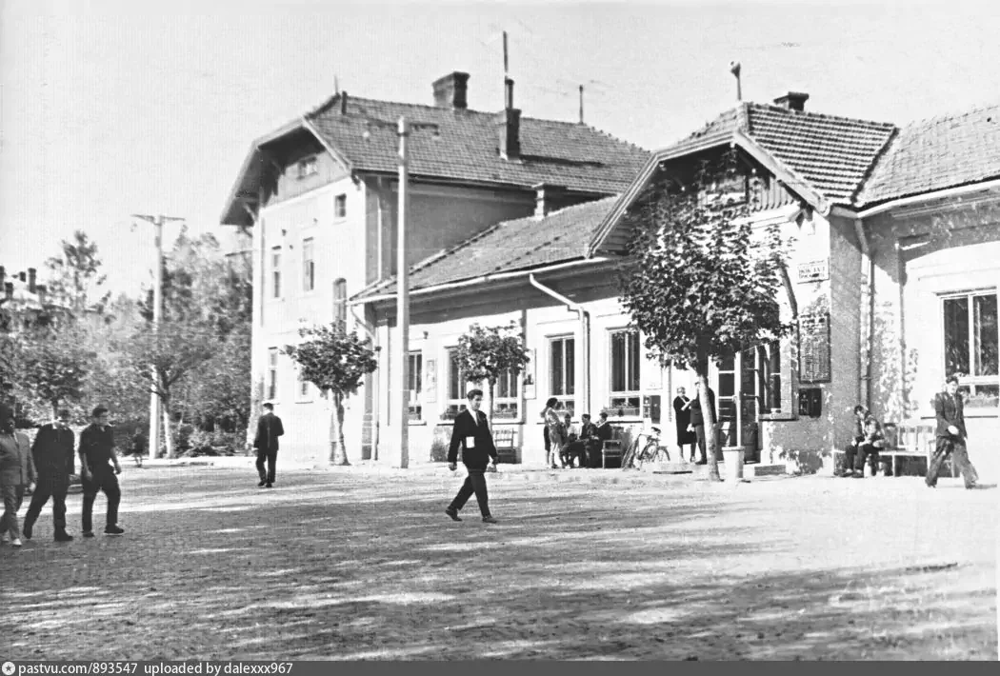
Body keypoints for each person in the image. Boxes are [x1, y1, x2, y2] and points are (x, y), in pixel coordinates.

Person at [445, 389, 499, 524]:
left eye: (480, 400)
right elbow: (455, 439)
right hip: (470, 458)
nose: (479, 403)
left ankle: (453, 508)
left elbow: (487, 438)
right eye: (476, 400)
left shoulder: (482, 416)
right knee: (480, 486)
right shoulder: (461, 418)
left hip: (482, 457)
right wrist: (451, 459)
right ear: (469, 400)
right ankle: (486, 515)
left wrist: (494, 454)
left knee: (470, 485)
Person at [23, 410, 76, 542]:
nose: (65, 424)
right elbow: (35, 451)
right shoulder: (45, 431)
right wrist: (35, 471)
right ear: (56, 419)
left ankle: (60, 531)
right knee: (38, 501)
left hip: (61, 473)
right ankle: (28, 524)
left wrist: (70, 472)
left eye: (67, 421)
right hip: (46, 473)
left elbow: (70, 453)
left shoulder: (69, 433)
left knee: (60, 504)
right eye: (62, 421)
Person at [78, 406, 125, 537]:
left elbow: (111, 447)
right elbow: (82, 452)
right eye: (103, 417)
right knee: (89, 498)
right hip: (92, 468)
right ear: (95, 418)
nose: (106, 419)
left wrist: (116, 463)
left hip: (105, 467)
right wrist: (86, 470)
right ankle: (87, 529)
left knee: (115, 494)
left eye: (107, 416)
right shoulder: (87, 432)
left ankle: (111, 525)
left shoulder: (108, 430)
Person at [927, 375, 979, 489]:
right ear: (946, 386)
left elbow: (960, 416)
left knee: (962, 456)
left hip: (957, 433)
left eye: (955, 385)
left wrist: (964, 431)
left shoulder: (959, 398)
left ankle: (970, 482)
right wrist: (949, 427)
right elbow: (939, 416)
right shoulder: (940, 397)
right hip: (944, 434)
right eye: (951, 385)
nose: (953, 387)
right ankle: (930, 481)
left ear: (957, 386)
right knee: (939, 457)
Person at [0, 416, 35, 547]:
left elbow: (29, 458)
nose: (10, 424)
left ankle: (1, 529)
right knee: (10, 506)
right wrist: (5, 458)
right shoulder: (1, 439)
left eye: (12, 421)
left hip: (22, 478)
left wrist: (33, 478)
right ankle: (15, 537)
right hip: (7, 477)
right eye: (7, 422)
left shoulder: (23, 437)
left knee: (16, 505)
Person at [253, 402, 284, 488]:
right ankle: (269, 482)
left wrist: (255, 445)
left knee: (259, 462)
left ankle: (263, 478)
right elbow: (281, 432)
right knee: (272, 463)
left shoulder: (262, 419)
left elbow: (258, 433)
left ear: (265, 409)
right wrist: (273, 433)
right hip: (274, 445)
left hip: (263, 445)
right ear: (272, 409)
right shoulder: (277, 419)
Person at [687, 380, 716, 465]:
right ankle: (704, 457)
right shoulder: (705, 391)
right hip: (699, 420)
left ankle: (704, 457)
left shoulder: (704, 392)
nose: (696, 387)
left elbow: (700, 404)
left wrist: (691, 402)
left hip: (700, 420)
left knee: (701, 440)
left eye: (697, 384)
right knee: (701, 439)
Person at [839, 405, 870, 477]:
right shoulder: (861, 423)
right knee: (849, 448)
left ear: (864, 412)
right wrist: (856, 440)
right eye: (858, 415)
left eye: (861, 413)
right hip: (865, 443)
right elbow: (863, 436)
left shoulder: (870, 420)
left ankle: (859, 471)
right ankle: (849, 469)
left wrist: (863, 442)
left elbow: (872, 435)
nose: (860, 416)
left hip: (873, 444)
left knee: (861, 447)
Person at [672, 387, 697, 462]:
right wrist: (687, 404)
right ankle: (681, 457)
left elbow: (690, 408)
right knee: (681, 439)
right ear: (677, 392)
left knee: (693, 439)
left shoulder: (686, 398)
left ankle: (692, 456)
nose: (682, 393)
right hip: (681, 422)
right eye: (680, 392)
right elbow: (680, 410)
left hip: (688, 421)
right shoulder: (676, 400)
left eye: (683, 392)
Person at [541, 397, 564, 469]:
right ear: (553, 403)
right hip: (552, 429)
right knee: (553, 445)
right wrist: (560, 423)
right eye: (556, 403)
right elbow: (554, 421)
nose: (557, 404)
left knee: (549, 446)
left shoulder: (547, 410)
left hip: (548, 428)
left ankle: (550, 462)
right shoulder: (550, 411)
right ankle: (551, 462)